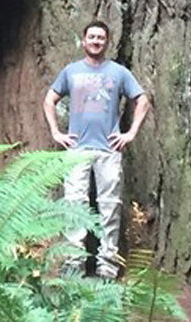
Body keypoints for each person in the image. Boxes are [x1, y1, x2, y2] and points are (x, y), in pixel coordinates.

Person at [42, 20, 150, 279]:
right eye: (92, 37)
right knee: (74, 205)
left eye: (101, 37)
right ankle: (73, 263)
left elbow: (142, 100)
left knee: (110, 207)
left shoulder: (119, 73)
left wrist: (131, 133)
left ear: (107, 42)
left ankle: (107, 266)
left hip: (108, 150)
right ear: (83, 40)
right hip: (77, 149)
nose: (96, 41)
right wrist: (56, 133)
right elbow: (49, 100)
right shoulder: (71, 71)